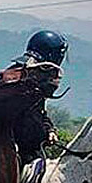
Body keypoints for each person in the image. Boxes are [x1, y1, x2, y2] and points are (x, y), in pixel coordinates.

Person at [12, 30, 67, 168]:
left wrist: (49, 130)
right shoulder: (19, 80)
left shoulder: (35, 79)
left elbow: (40, 113)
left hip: (32, 153)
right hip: (15, 153)